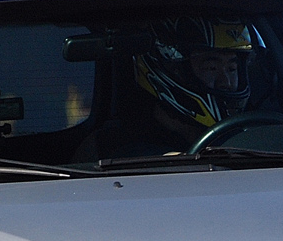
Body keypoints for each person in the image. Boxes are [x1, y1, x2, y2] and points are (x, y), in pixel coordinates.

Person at [77, 16, 259, 161]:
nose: (225, 82)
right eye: (211, 68)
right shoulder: (111, 146)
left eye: (232, 69)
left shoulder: (252, 138)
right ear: (174, 70)